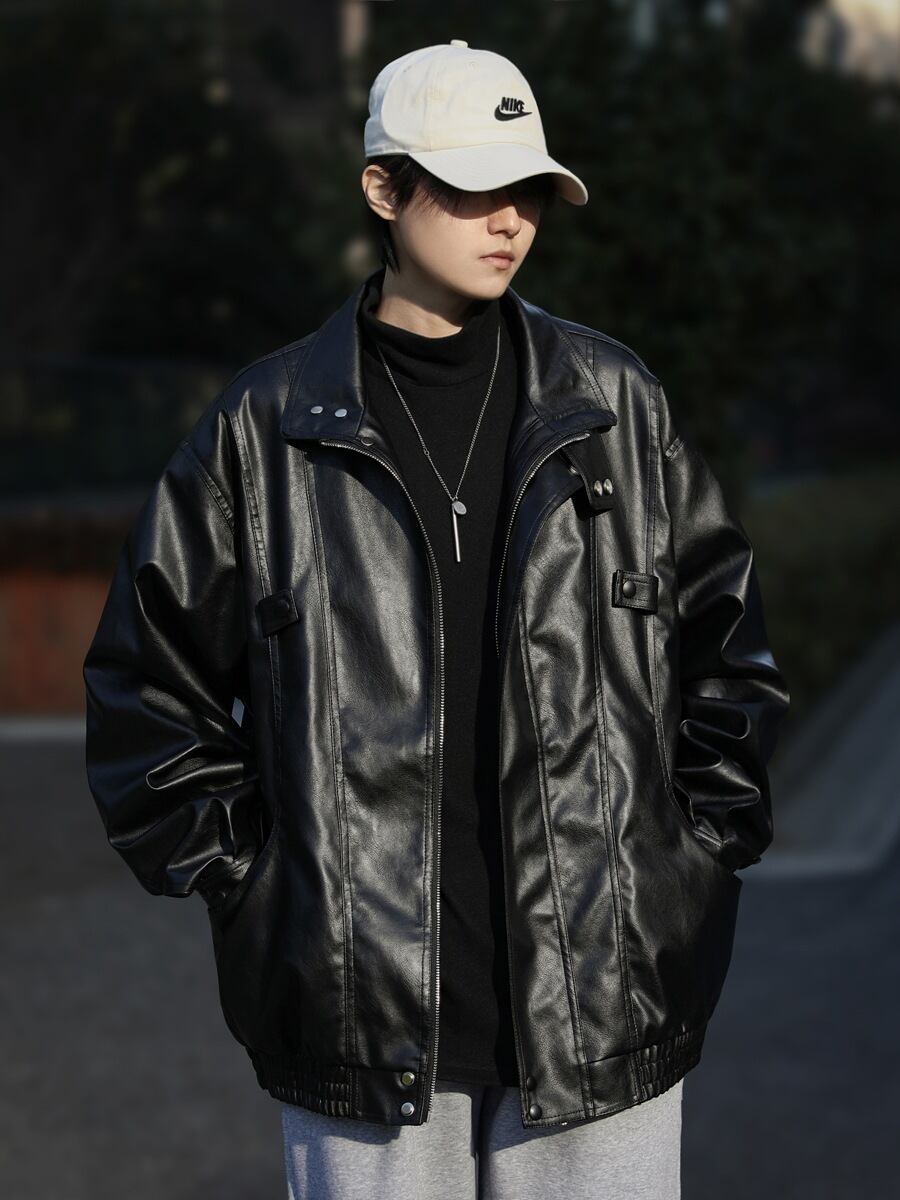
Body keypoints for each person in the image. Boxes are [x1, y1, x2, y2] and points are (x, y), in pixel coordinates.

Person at [83, 39, 790, 1200]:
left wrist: (684, 866)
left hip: (604, 1003)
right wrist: (262, 890)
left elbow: (731, 660)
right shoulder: (265, 429)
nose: (509, 218)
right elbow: (145, 691)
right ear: (383, 188)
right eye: (472, 185)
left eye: (529, 190)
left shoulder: (613, 405)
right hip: (358, 1020)